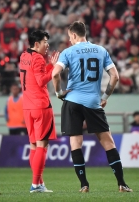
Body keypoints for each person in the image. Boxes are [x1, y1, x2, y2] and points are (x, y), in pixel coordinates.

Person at [52, 21, 132, 193]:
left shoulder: (68, 52)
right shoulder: (101, 50)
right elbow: (115, 76)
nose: (70, 40)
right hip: (93, 102)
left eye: (69, 37)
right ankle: (122, 184)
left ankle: (84, 184)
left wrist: (59, 93)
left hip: (72, 101)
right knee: (108, 142)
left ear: (73, 35)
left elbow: (55, 73)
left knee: (76, 143)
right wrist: (105, 97)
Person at [19, 30, 59, 193]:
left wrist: (49, 66)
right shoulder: (37, 58)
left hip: (28, 106)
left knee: (34, 146)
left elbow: (34, 76)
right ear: (36, 44)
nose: (47, 45)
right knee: (42, 145)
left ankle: (39, 183)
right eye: (45, 42)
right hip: (41, 106)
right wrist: (54, 68)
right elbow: (42, 80)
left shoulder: (24, 56)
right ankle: (35, 184)